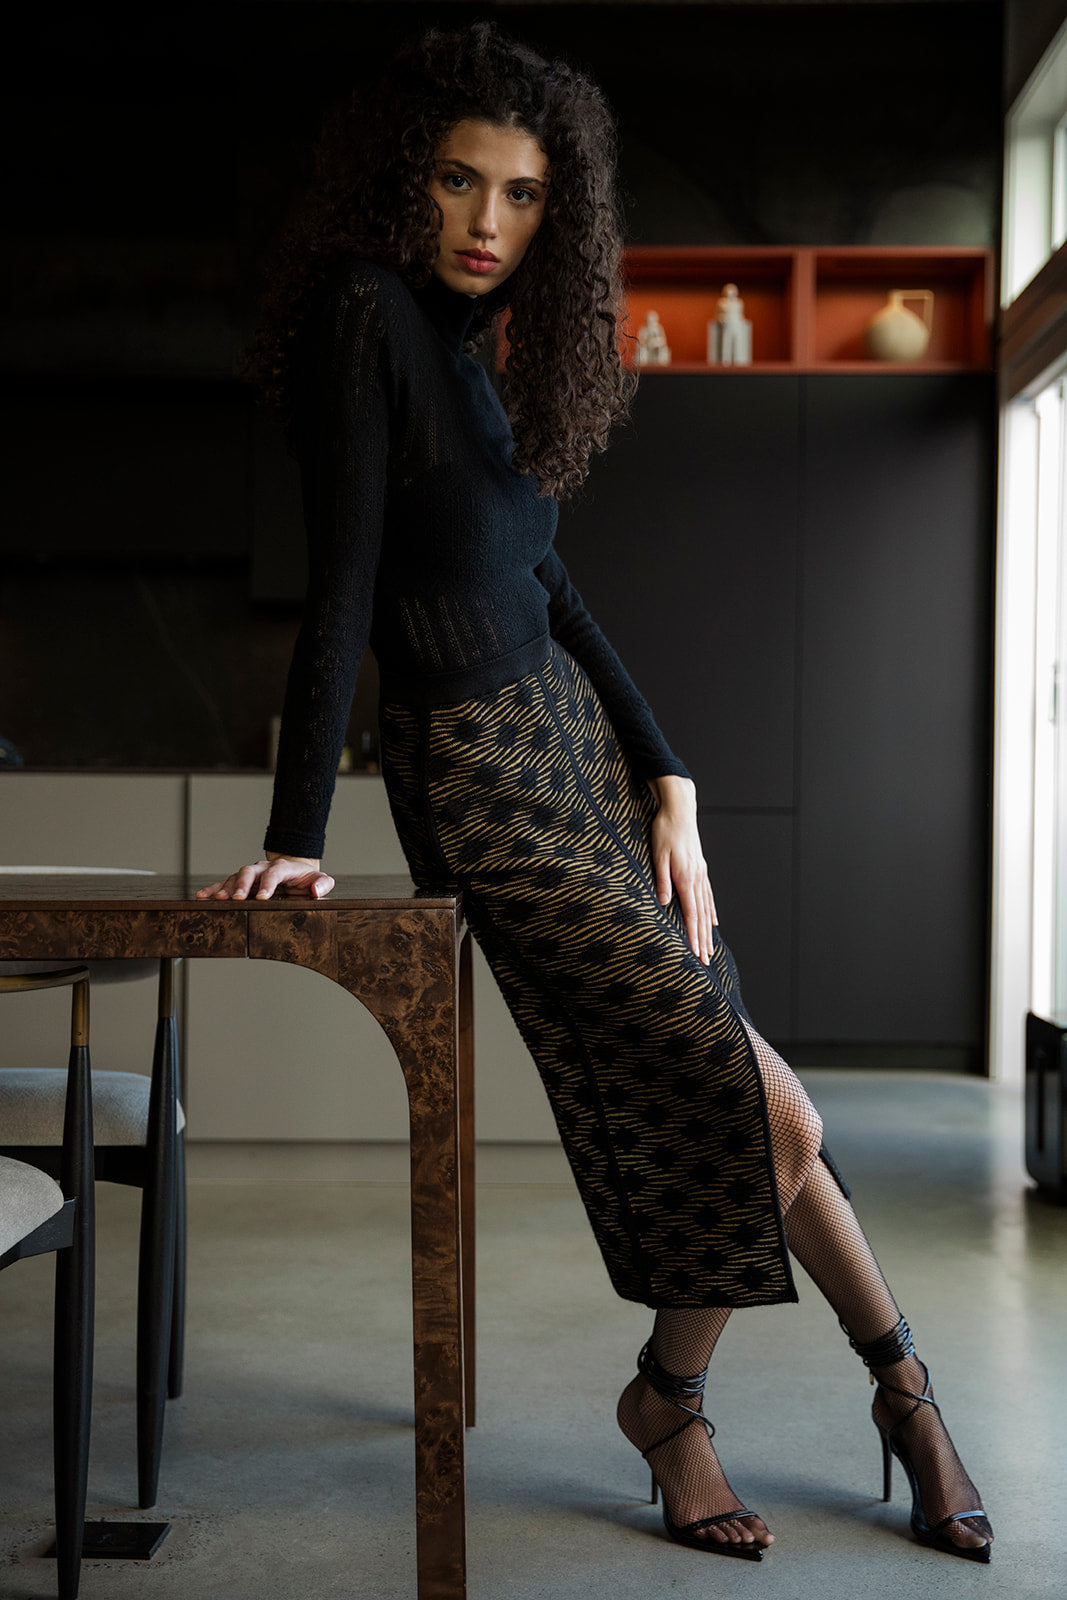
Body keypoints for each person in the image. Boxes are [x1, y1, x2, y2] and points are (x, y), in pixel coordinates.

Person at [197, 21, 991, 1563]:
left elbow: (544, 575)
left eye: (523, 193)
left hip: (577, 751)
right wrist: (298, 832)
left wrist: (668, 772)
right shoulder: (364, 316)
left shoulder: (481, 363)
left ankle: (887, 1394)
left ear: (561, 211)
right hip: (481, 779)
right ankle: (692, 1405)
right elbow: (346, 587)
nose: (488, 220)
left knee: (781, 1112)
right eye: (456, 180)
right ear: (401, 181)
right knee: (753, 1103)